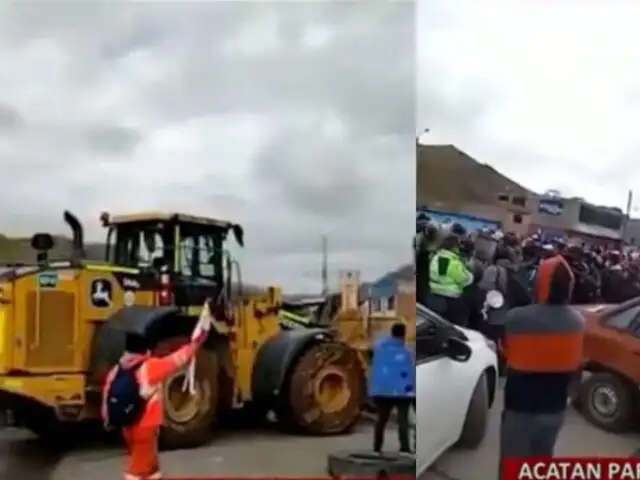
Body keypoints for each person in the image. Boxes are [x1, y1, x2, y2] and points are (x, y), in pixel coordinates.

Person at [498, 254, 584, 473]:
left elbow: (505, 349)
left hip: (520, 407)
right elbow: (575, 366)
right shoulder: (578, 322)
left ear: (541, 284)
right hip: (554, 409)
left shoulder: (517, 317)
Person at [102, 328, 209, 480]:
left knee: (150, 465)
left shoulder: (118, 369)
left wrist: (107, 419)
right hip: (145, 425)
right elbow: (177, 360)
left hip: (127, 424)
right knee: (136, 471)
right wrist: (196, 344)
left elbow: (107, 393)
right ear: (145, 349)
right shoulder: (149, 367)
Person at [368, 322, 415, 454]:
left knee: (381, 419)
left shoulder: (379, 348)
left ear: (391, 333)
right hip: (402, 393)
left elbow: (373, 369)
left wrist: (373, 391)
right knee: (402, 421)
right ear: (403, 335)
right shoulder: (407, 352)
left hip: (382, 391)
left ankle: (377, 448)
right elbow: (411, 373)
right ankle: (404, 449)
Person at [427, 234, 474, 325]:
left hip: (434, 295)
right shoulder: (454, 263)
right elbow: (464, 279)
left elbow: (441, 276)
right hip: (451, 298)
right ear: (454, 247)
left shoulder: (436, 258)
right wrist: (470, 276)